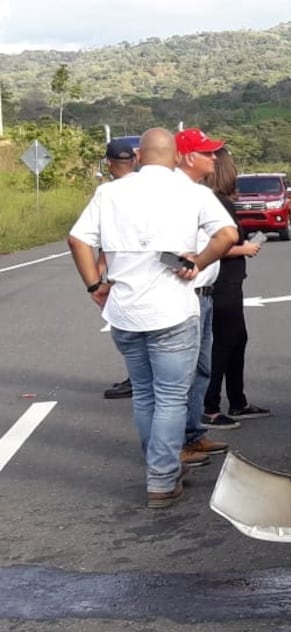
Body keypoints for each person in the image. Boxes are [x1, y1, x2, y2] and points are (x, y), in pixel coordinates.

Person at [67, 127, 238, 508]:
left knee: (144, 394)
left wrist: (95, 286)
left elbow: (78, 240)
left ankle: (159, 467)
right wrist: (199, 261)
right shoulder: (193, 193)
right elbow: (227, 234)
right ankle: (161, 479)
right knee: (172, 397)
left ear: (139, 156)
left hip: (125, 312)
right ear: (177, 157)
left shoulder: (109, 192)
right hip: (172, 310)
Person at [174, 128, 238, 455]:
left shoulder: (198, 191)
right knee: (181, 373)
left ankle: (193, 433)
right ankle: (176, 445)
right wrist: (197, 263)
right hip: (187, 293)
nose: (214, 158)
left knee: (201, 368)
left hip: (206, 293)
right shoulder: (178, 193)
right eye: (207, 152)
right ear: (188, 157)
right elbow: (227, 236)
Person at [202, 147, 270, 423]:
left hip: (229, 279)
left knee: (236, 339)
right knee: (224, 342)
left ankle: (237, 400)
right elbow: (211, 245)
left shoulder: (211, 200)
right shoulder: (216, 202)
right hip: (222, 280)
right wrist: (244, 249)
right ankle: (210, 405)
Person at [99, 136, 141, 400]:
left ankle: (137, 378)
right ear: (135, 160)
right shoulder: (152, 189)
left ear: (109, 164)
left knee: (128, 330)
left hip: (124, 269)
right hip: (155, 266)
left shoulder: (108, 193)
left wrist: (96, 278)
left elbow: (91, 236)